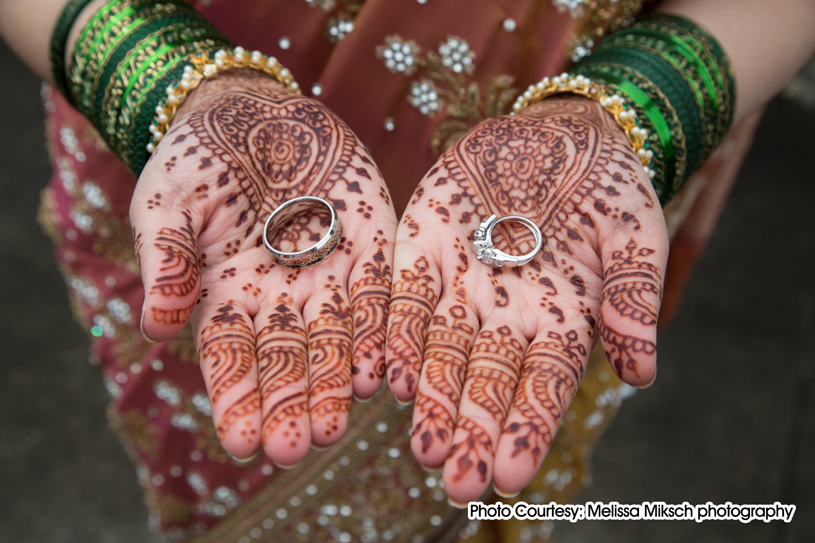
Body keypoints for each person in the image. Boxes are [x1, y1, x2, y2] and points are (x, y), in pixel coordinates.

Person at [1, 0, 813, 541]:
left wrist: (631, 103)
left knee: (489, 446)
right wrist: (165, 83)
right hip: (201, 162)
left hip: (582, 157)